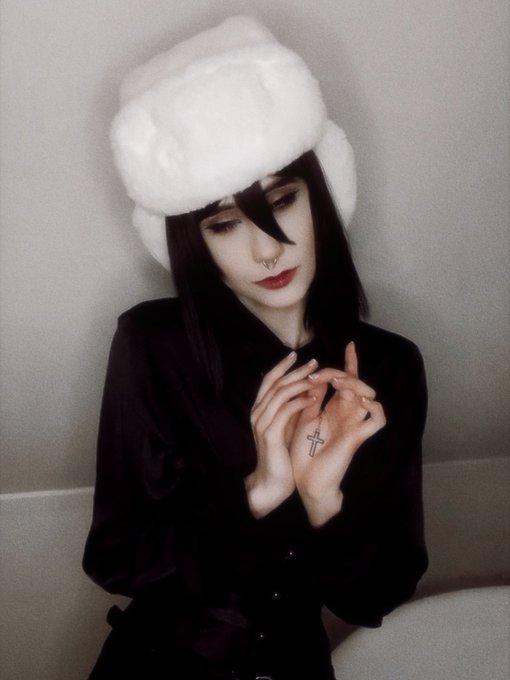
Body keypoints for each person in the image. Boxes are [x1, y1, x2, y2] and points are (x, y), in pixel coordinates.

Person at [83, 16, 428, 680]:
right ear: (194, 244)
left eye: (282, 201)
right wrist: (261, 490)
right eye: (223, 225)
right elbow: (116, 555)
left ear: (320, 197)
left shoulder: (389, 369)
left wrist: (323, 498)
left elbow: (376, 597)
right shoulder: (153, 345)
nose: (267, 249)